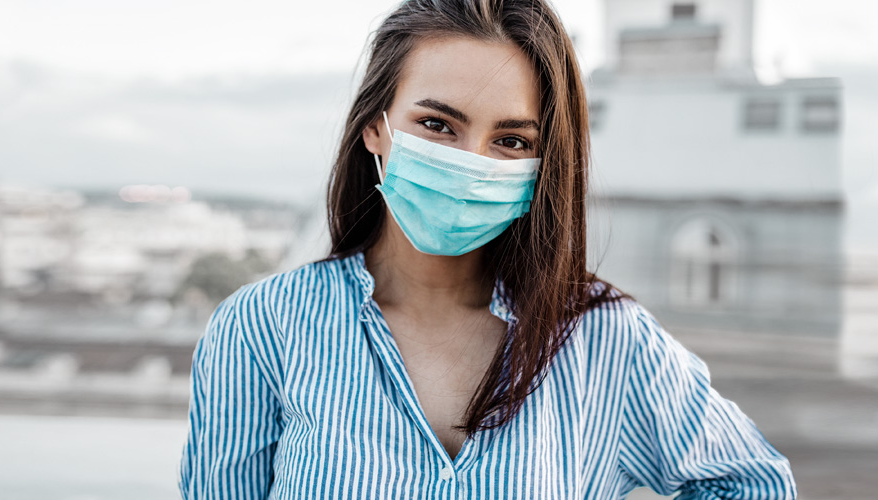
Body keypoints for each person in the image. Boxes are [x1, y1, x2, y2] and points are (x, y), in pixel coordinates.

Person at [178, 0, 796, 498]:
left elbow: (752, 483)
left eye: (510, 140)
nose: (470, 162)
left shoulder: (606, 341)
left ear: (542, 162)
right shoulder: (265, 327)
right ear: (375, 127)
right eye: (437, 125)